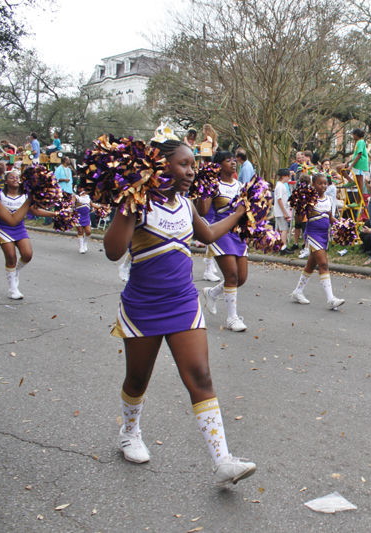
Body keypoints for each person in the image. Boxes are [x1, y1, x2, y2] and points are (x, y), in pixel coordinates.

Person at [103, 133, 257, 485]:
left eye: (193, 165)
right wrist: (128, 201)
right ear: (161, 166)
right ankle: (130, 432)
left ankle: (223, 460)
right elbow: (113, 251)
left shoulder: (186, 205)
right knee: (138, 378)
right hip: (142, 305)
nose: (191, 171)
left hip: (184, 302)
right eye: (184, 164)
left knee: (200, 376)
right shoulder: (138, 203)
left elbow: (208, 235)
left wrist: (240, 211)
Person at [198, 151, 249, 332]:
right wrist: (203, 189)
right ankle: (232, 318)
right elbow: (203, 211)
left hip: (238, 234)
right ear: (219, 165)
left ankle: (211, 293)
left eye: (234, 160)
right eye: (228, 161)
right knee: (232, 275)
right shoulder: (214, 185)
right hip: (220, 232)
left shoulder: (240, 185)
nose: (233, 163)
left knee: (241, 278)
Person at [0, 170, 54, 299]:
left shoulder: (25, 196)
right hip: (4, 228)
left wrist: (54, 214)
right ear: (5, 181)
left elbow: (35, 211)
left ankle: (15, 271)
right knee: (11, 257)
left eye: (17, 177)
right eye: (11, 177)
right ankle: (13, 289)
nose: (15, 179)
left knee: (27, 255)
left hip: (19, 228)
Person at [290, 173, 346, 309]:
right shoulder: (309, 199)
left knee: (310, 264)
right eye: (320, 183)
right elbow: (298, 220)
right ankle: (331, 299)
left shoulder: (328, 199)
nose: (323, 186)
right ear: (313, 185)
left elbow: (330, 217)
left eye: (325, 183)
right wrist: (299, 207)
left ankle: (297, 292)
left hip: (323, 235)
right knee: (323, 264)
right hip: (312, 234)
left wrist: (341, 226)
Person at [74, 186, 101, 254]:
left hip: (86, 216)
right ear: (79, 189)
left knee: (88, 232)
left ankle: (85, 243)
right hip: (78, 216)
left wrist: (102, 207)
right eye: (81, 187)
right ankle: (81, 247)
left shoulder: (88, 197)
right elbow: (72, 204)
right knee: (80, 232)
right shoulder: (76, 197)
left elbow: (92, 205)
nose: (83, 188)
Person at [274, 169, 292, 254]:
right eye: (288, 176)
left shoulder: (280, 185)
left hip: (279, 211)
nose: (289, 178)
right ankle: (283, 246)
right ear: (284, 176)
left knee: (278, 229)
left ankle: (277, 245)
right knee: (284, 229)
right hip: (281, 212)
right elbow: (279, 199)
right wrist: (285, 212)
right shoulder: (280, 186)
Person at [347, 128, 370, 198]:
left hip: (360, 164)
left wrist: (351, 165)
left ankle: (358, 201)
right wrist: (348, 162)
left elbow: (359, 154)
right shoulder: (358, 143)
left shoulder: (360, 142)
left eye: (353, 135)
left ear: (356, 135)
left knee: (360, 183)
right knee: (339, 167)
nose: (353, 136)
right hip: (356, 164)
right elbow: (354, 156)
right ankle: (351, 181)